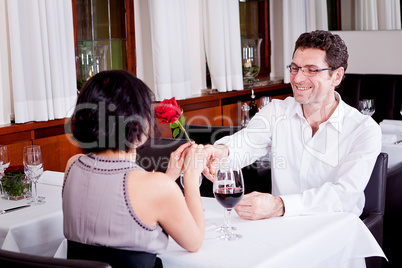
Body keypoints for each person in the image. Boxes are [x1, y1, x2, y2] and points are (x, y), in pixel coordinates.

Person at [204, 30, 381, 220]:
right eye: (295, 68)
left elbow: (342, 196)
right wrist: (220, 152)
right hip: (282, 228)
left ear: (336, 76)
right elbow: (245, 143)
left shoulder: (364, 130)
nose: (297, 79)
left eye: (311, 70)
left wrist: (279, 205)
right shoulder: (277, 111)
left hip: (336, 230)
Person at [63, 70, 207, 267]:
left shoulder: (73, 166)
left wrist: (168, 177)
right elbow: (195, 241)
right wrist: (191, 177)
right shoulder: (157, 188)